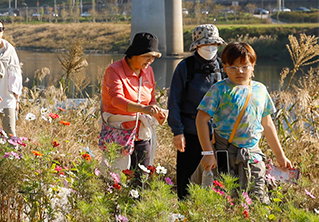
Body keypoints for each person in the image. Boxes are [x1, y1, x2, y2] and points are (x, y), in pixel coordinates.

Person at [195, 42, 293, 204]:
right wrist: (207, 153)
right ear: (225, 67)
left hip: (252, 154)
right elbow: (201, 119)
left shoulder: (260, 90)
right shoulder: (219, 89)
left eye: (244, 66)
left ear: (253, 66)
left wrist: (280, 155)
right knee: (223, 201)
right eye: (233, 67)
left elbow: (267, 124)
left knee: (257, 200)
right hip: (224, 154)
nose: (239, 71)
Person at [167, 24, 225, 199]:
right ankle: (185, 208)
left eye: (214, 45)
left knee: (218, 178)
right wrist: (178, 132)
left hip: (217, 134)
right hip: (190, 131)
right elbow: (174, 101)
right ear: (197, 46)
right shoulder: (185, 67)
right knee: (187, 176)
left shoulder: (223, 66)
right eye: (206, 45)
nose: (210, 48)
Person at [101, 32, 167, 177]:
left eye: (153, 57)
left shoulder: (148, 71)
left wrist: (156, 111)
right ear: (135, 53)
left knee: (141, 177)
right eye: (147, 56)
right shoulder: (114, 70)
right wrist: (143, 109)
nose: (150, 60)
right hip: (119, 132)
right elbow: (116, 99)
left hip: (141, 134)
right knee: (115, 178)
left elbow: (151, 99)